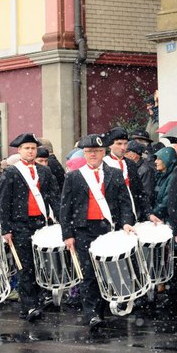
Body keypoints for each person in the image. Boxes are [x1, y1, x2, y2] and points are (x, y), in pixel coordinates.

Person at [60, 134, 135, 331]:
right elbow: (65, 208)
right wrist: (67, 234)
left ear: (104, 152)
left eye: (97, 151)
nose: (93, 154)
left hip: (108, 228)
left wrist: (127, 222)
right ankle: (92, 314)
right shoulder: (74, 176)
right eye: (89, 151)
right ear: (84, 153)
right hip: (84, 229)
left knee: (108, 271)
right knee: (88, 273)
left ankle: (102, 310)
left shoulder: (115, 173)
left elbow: (125, 203)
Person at [0, 133, 60, 321]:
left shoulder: (45, 172)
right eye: (27, 148)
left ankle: (38, 301)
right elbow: (3, 202)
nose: (30, 151)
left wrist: (61, 219)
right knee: (25, 266)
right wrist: (6, 229)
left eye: (33, 148)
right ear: (19, 151)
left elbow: (53, 198)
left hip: (41, 224)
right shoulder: (11, 172)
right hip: (19, 224)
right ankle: (29, 305)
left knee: (41, 264)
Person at [103, 127, 151, 223]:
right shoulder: (103, 164)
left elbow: (140, 191)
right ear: (110, 145)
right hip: (111, 216)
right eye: (119, 144)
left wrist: (148, 213)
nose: (123, 147)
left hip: (133, 213)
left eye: (125, 144)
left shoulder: (130, 164)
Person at [125, 141, 156, 208]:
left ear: (134, 155)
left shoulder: (145, 170)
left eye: (126, 153)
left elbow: (147, 194)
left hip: (140, 210)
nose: (124, 155)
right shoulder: (129, 167)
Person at [150, 147, 177, 223]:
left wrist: (152, 214)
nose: (155, 161)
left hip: (168, 220)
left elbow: (166, 202)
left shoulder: (173, 177)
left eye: (159, 159)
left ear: (167, 160)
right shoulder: (160, 175)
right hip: (161, 218)